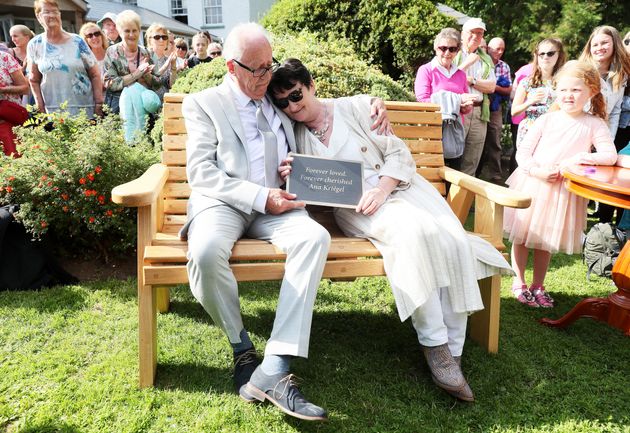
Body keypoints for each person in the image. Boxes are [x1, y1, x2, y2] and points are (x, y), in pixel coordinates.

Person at [269, 58, 512, 403]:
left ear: (310, 85)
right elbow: (305, 184)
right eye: (282, 102)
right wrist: (290, 172)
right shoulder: (291, 132)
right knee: (414, 237)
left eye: (295, 95)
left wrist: (382, 188)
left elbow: (398, 154)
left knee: (450, 238)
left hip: (400, 188)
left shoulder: (356, 107)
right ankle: (435, 344)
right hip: (357, 208)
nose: (292, 106)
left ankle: (453, 349)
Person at [503, 60, 616, 308]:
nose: (569, 95)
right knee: (522, 236)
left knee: (546, 239)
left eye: (576, 90)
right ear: (557, 90)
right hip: (534, 184)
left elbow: (609, 155)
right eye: (564, 90)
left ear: (592, 91)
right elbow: (523, 153)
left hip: (562, 192)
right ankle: (519, 282)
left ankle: (538, 285)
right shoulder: (547, 119)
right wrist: (537, 171)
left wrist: (576, 160)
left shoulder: (594, 123)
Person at [579, 26, 630, 225]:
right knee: (579, 175)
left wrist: (607, 139)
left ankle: (602, 226)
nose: (599, 47)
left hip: (605, 134)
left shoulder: (621, 75)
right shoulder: (585, 70)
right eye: (595, 44)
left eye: (604, 43)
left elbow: (616, 110)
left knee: (596, 176)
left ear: (614, 44)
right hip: (581, 131)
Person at [27, 0, 103, 118]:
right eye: (47, 12)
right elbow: (34, 79)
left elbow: (95, 74)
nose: (52, 15)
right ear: (38, 16)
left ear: (60, 14)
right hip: (54, 113)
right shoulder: (35, 44)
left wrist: (98, 103)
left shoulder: (77, 41)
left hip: (84, 111)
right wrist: (40, 106)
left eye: (55, 12)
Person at [415, 28, 476, 169]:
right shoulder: (426, 70)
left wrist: (466, 106)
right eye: (443, 48)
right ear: (436, 48)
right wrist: (458, 100)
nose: (447, 53)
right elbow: (423, 100)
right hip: (432, 132)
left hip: (454, 132)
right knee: (431, 178)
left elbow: (464, 107)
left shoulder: (460, 74)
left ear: (457, 51)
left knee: (453, 177)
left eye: (452, 49)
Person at [453, 17, 496, 177]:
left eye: (480, 33)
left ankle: (465, 200)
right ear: (463, 34)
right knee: (453, 156)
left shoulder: (485, 58)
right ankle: (447, 198)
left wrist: (472, 80)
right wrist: (467, 64)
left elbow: (491, 87)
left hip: (479, 112)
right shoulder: (452, 52)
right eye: (472, 32)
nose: (476, 37)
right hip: (458, 110)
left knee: (472, 159)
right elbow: (449, 79)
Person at [511, 38, 566, 148]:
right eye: (541, 54)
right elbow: (514, 112)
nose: (545, 57)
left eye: (550, 53)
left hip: (555, 130)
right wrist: (530, 101)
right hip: (530, 130)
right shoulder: (527, 82)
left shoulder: (564, 81)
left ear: (559, 55)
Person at [102, 10, 160, 114]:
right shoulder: (112, 52)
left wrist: (147, 76)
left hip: (144, 110)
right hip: (119, 110)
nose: (131, 34)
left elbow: (158, 84)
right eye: (127, 31)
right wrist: (137, 74)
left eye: (135, 30)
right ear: (120, 31)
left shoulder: (147, 53)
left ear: (139, 31)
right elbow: (110, 83)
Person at [476, 37, 512, 184]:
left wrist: (492, 87)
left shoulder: (504, 66)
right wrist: (490, 86)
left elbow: (508, 89)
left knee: (495, 140)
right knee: (477, 140)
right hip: (478, 104)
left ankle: (496, 175)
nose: (500, 51)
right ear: (488, 48)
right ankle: (474, 173)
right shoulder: (479, 61)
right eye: (497, 48)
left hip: (495, 107)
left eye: (502, 49)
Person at [0, 49, 29, 155]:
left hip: (9, 119)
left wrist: (3, 90)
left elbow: (25, 88)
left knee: (15, 158)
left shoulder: (4, 58)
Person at [145, 23, 177, 102]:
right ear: (150, 40)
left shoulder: (168, 59)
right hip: (149, 105)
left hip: (166, 104)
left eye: (164, 37)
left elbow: (172, 85)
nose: (161, 40)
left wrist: (173, 66)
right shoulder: (145, 57)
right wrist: (167, 64)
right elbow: (152, 82)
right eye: (157, 37)